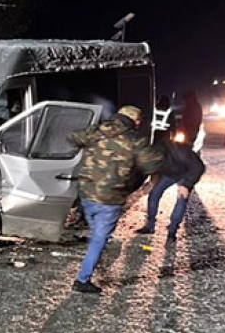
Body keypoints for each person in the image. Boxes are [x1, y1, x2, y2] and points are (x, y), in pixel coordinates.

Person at [68, 105, 164, 294]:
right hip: (109, 198)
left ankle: (95, 259)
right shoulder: (134, 140)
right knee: (98, 239)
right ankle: (82, 280)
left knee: (97, 235)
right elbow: (153, 164)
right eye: (139, 121)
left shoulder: (97, 131)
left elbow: (73, 137)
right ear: (135, 121)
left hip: (86, 194)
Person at [135, 138, 206, 242]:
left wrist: (186, 184)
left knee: (181, 199)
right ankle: (149, 226)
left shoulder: (179, 152)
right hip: (169, 173)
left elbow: (199, 167)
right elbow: (153, 172)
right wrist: (149, 184)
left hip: (187, 172)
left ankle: (172, 232)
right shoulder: (152, 157)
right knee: (154, 193)